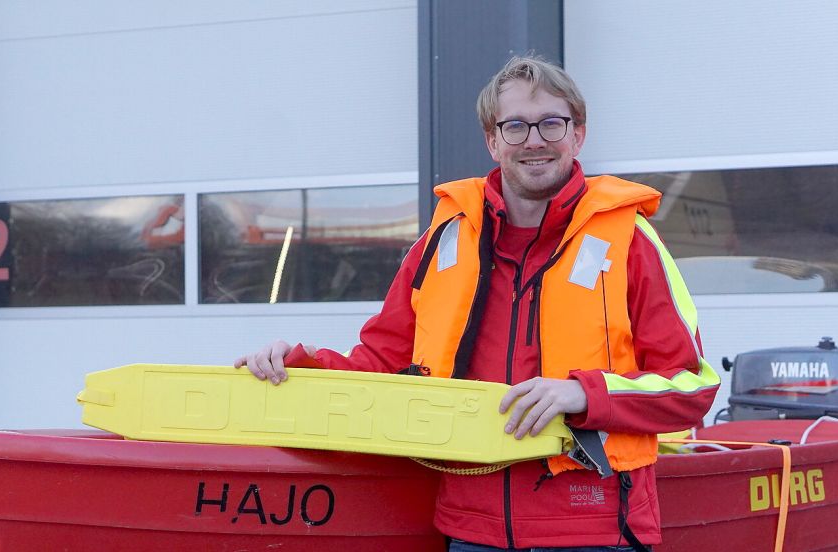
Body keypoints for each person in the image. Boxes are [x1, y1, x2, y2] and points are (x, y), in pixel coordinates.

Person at [236, 55, 720, 552]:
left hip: (593, 529)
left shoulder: (629, 241)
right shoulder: (443, 241)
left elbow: (692, 385)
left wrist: (583, 395)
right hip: (471, 530)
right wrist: (298, 367)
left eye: (552, 123)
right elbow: (380, 365)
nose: (534, 140)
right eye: (515, 126)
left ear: (578, 135)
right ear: (492, 140)